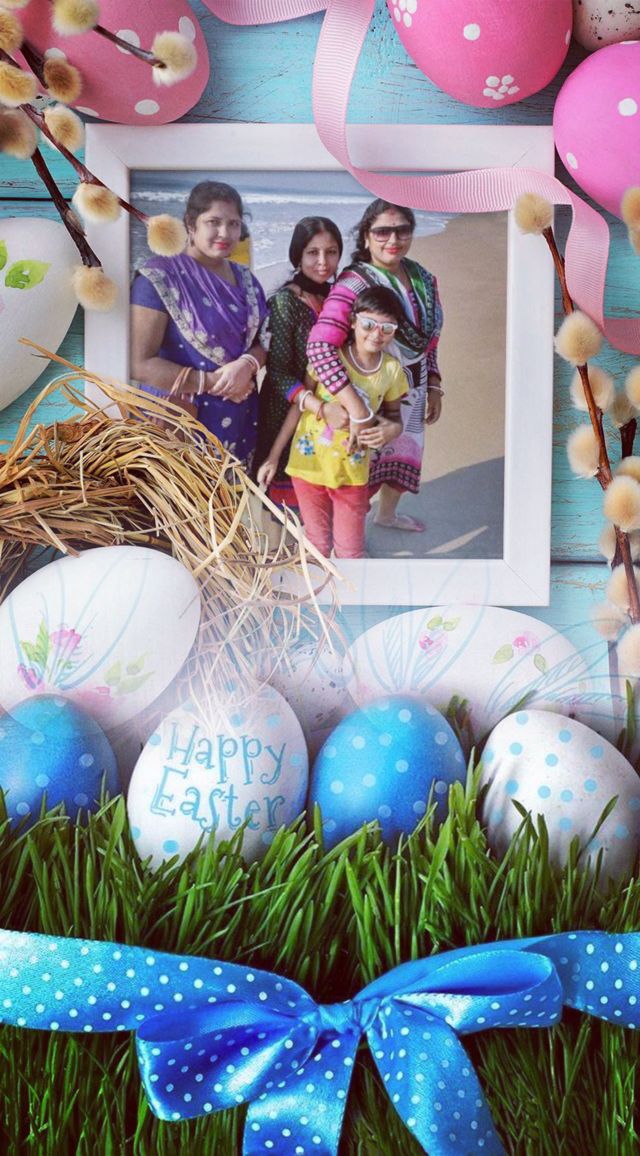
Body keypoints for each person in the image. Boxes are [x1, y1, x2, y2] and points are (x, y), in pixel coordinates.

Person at [307, 198, 444, 532]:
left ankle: (386, 515)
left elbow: (429, 337)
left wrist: (435, 383)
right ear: (366, 237)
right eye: (382, 231)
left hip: (413, 386)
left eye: (402, 230)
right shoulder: (353, 284)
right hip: (367, 390)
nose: (393, 239)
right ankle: (347, 536)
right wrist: (357, 409)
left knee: (404, 453)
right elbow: (319, 347)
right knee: (358, 465)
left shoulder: (424, 279)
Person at [257, 286, 408, 559]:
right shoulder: (329, 360)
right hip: (307, 467)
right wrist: (273, 457)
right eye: (369, 324)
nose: (377, 334)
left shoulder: (391, 370)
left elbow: (394, 416)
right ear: (353, 322)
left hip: (353, 473)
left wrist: (392, 430)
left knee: (351, 551)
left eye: (387, 328)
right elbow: (298, 407)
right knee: (316, 545)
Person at [130, 180, 268, 470]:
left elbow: (263, 341)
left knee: (231, 496)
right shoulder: (159, 278)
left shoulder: (247, 281)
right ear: (190, 224)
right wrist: (216, 383)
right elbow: (139, 364)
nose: (225, 233)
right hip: (179, 420)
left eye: (233, 224)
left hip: (239, 419)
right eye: (213, 222)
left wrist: (247, 365)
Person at [253, 215, 344, 507]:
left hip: (329, 415)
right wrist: (318, 407)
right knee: (283, 506)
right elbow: (278, 373)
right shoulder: (285, 303)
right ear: (298, 256)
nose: (323, 262)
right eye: (313, 252)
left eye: (331, 252)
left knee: (321, 500)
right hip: (285, 412)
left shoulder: (337, 300)